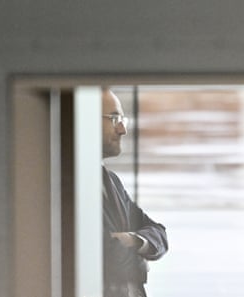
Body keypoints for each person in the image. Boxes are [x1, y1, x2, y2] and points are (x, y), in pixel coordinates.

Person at [101, 88, 168, 297]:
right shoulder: (67, 185)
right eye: (113, 118)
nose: (122, 129)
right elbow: (104, 256)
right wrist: (140, 260)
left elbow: (158, 232)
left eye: (122, 119)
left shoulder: (112, 182)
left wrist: (133, 240)